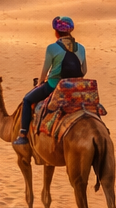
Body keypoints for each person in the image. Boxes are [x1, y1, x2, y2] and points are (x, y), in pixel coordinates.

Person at [13, 16, 85, 146]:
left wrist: (41, 82)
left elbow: (45, 71)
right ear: (70, 32)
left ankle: (23, 134)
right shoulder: (81, 48)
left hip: (55, 86)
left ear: (57, 32)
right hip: (75, 88)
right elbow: (84, 70)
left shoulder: (52, 48)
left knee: (27, 99)